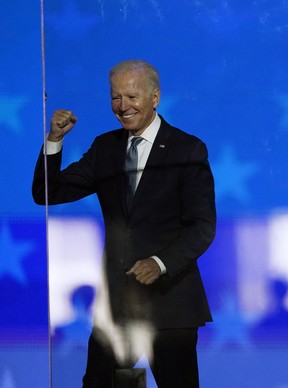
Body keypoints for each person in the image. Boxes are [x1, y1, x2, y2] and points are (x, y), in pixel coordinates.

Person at [32, 59, 216, 387]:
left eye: (132, 97)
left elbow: (202, 226)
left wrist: (160, 263)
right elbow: (48, 192)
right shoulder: (106, 148)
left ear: (155, 97)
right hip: (117, 308)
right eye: (116, 97)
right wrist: (54, 140)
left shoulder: (187, 149)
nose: (123, 106)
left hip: (170, 306)